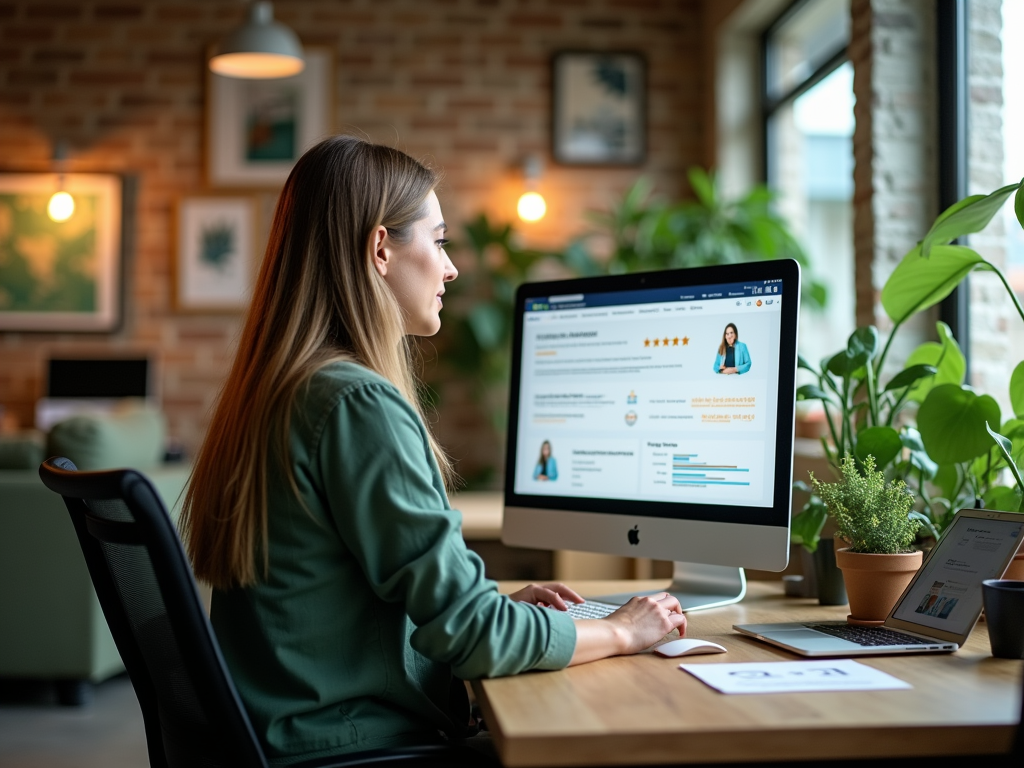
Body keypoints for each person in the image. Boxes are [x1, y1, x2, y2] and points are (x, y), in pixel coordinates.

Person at [179, 136, 686, 766]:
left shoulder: (284, 387)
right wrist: (620, 630)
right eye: (439, 241)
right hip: (349, 749)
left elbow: (367, 605)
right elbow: (475, 640)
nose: (450, 268)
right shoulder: (355, 404)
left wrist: (494, 610)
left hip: (286, 735)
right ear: (381, 248)